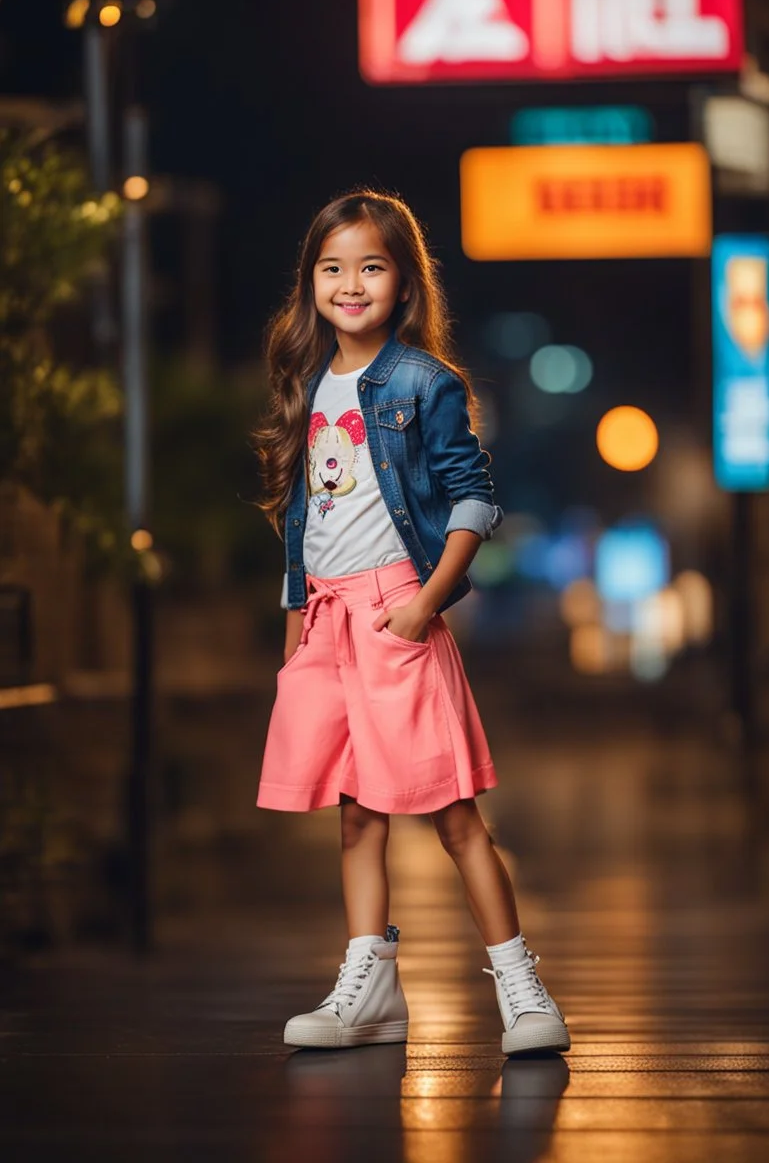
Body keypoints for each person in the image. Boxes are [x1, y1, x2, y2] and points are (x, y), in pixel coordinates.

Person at [254, 190, 569, 1056]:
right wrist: (296, 648)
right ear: (310, 280)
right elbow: (301, 525)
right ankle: (371, 988)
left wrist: (423, 606)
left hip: (396, 610)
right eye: (332, 268)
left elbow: (475, 498)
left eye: (370, 266)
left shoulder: (426, 384)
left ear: (403, 283)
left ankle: (522, 988)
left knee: (454, 814)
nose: (349, 283)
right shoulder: (308, 384)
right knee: (356, 815)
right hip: (324, 620)